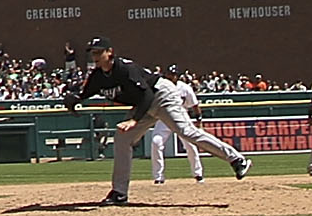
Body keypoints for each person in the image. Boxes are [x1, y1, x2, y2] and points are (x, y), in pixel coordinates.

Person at [64, 39, 247, 206]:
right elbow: (84, 93)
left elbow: (147, 94)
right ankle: (119, 193)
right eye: (93, 53)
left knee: (186, 131)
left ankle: (236, 159)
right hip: (144, 104)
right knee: (122, 139)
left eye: (98, 52)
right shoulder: (98, 76)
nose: (95, 56)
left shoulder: (125, 69)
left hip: (161, 95)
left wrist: (135, 120)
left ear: (109, 52)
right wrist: (75, 100)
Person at [147, 67, 205, 184]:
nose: (171, 76)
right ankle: (158, 177)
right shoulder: (160, 86)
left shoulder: (184, 87)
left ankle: (198, 174)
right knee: (156, 142)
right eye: (169, 74)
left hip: (181, 117)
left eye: (173, 74)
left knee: (190, 144)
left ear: (177, 76)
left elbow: (194, 104)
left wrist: (198, 119)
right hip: (164, 117)